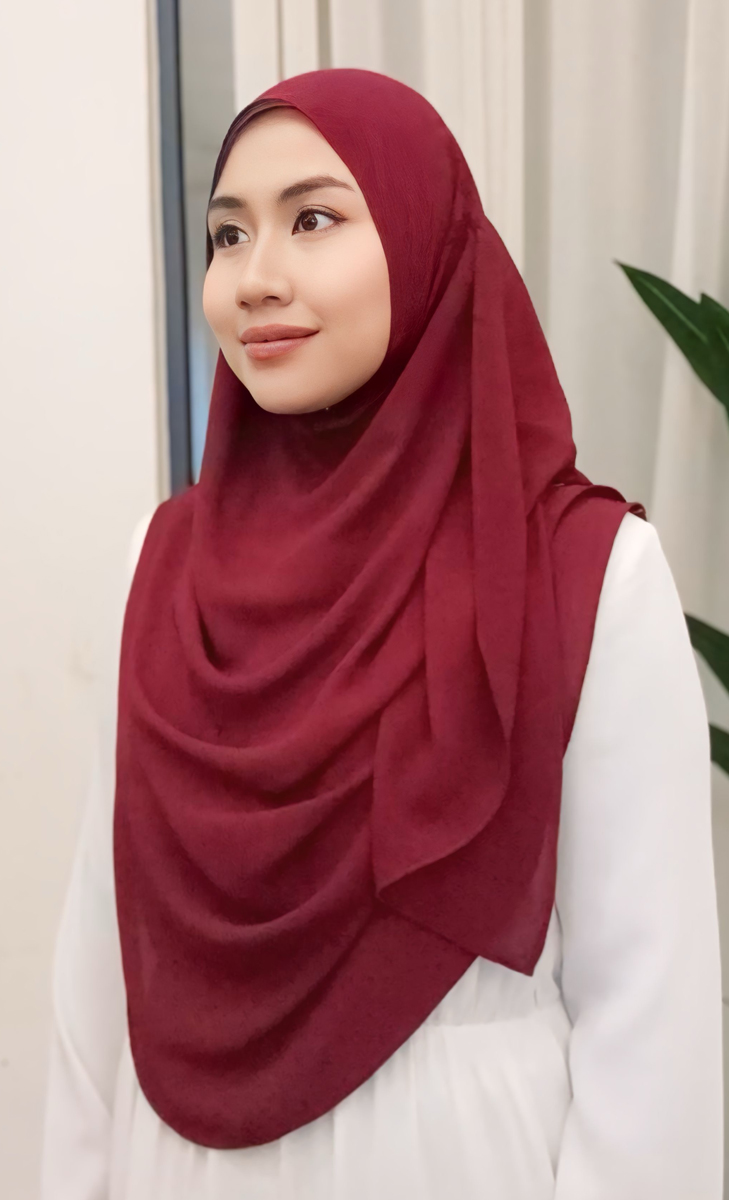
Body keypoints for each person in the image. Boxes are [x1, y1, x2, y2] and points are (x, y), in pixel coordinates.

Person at [41, 68, 723, 1199]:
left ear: (423, 240)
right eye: (227, 234)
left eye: (313, 218)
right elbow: (99, 972)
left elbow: (649, 1025)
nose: (256, 277)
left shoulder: (588, 574)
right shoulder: (160, 568)